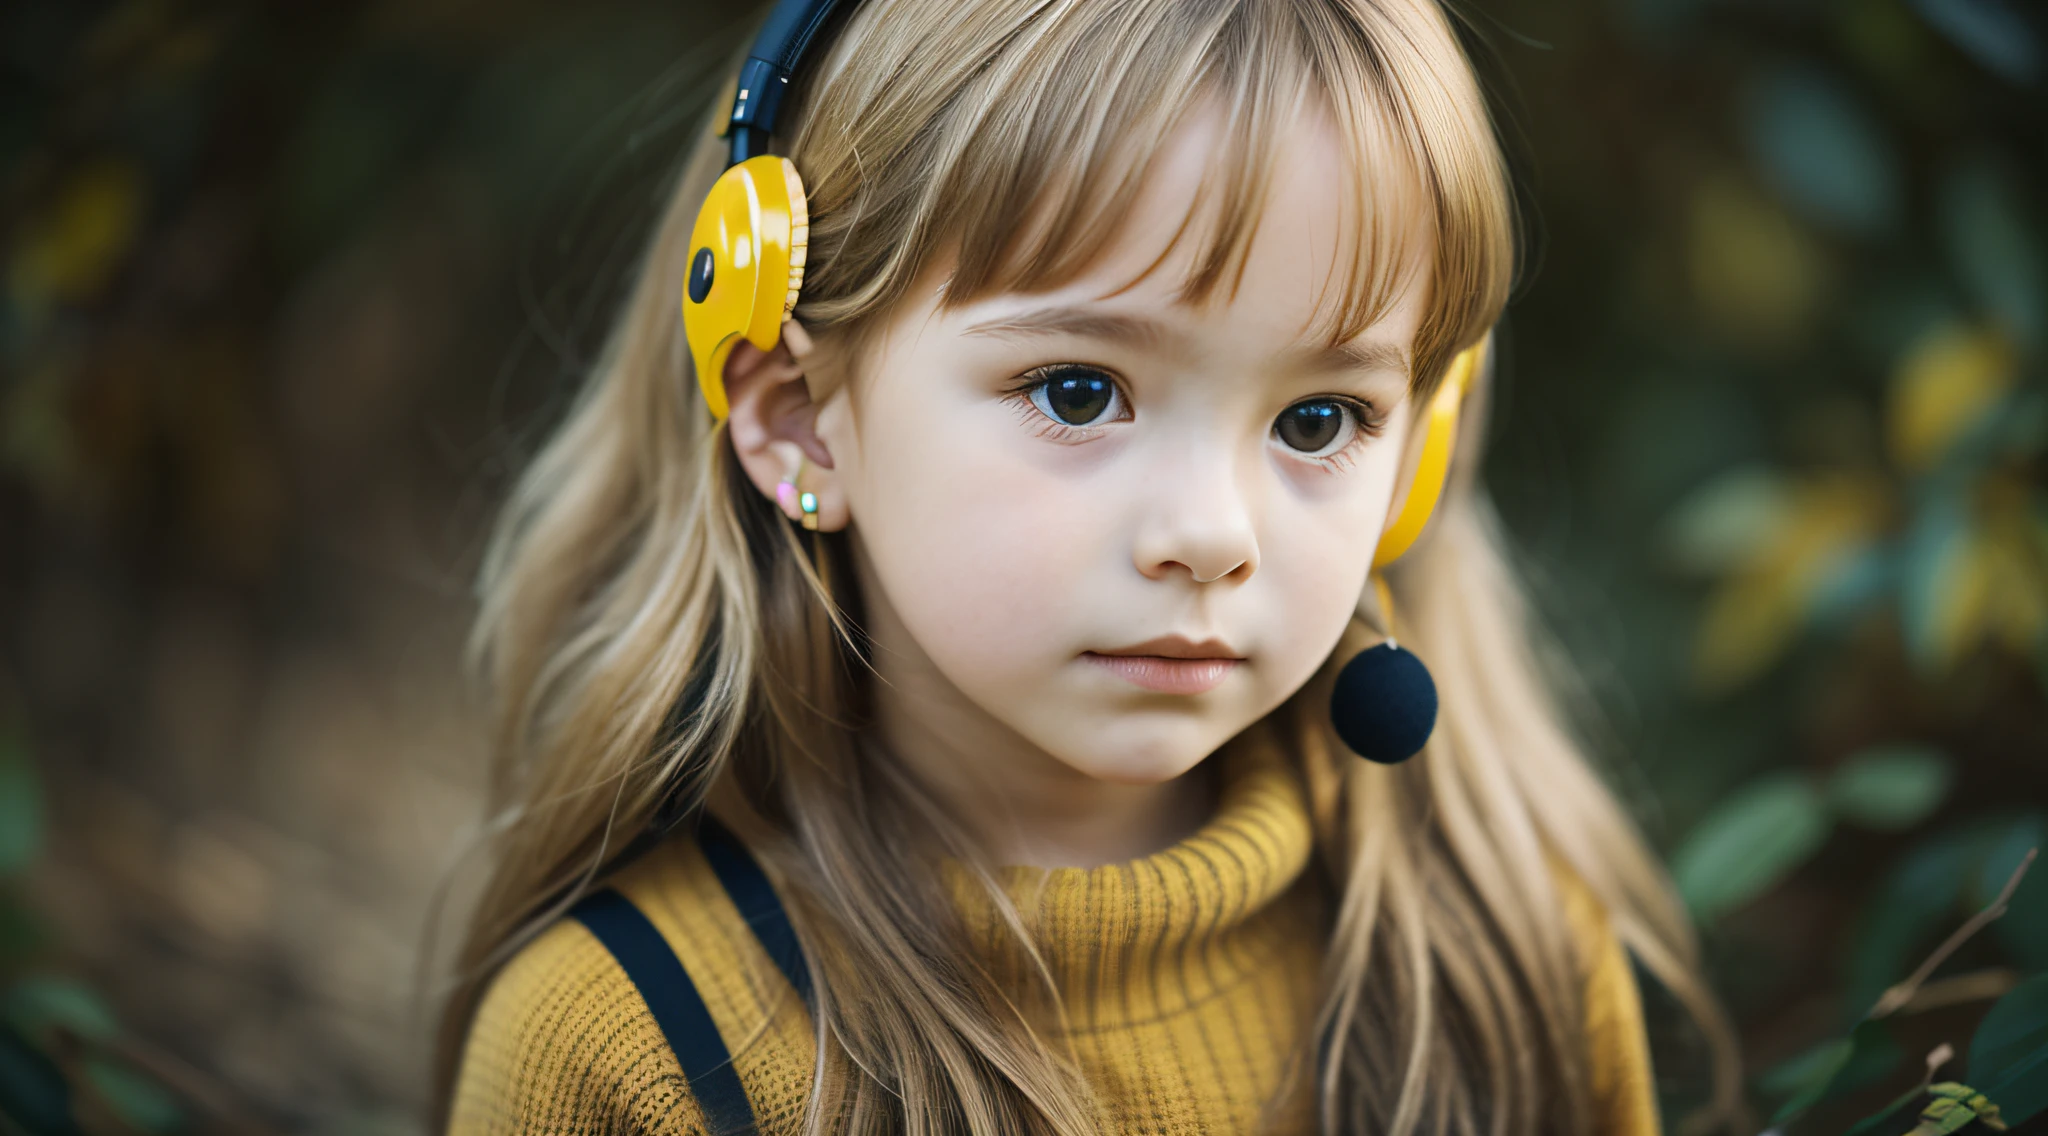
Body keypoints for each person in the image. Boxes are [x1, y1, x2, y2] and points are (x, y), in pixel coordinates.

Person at [436, 0, 1742, 1131]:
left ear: (1421, 453)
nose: (1213, 534)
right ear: (795, 416)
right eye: (1077, 390)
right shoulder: (630, 1056)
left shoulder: (1512, 968)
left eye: (1319, 420)